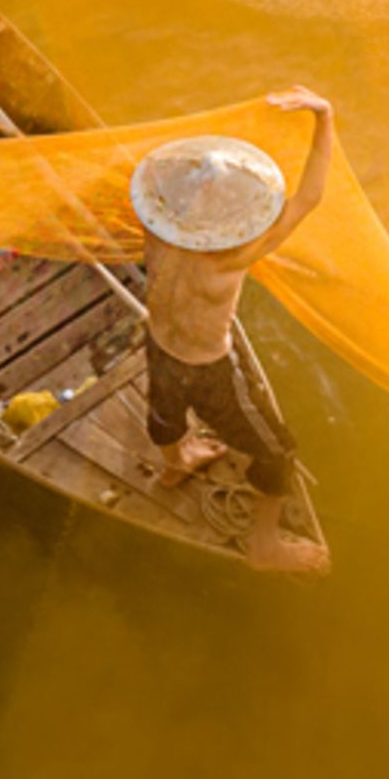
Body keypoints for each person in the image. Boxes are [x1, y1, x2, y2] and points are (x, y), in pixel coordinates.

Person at [130, 88, 335, 576]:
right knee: (277, 452)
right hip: (209, 371)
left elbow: (157, 179)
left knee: (164, 413)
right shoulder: (230, 258)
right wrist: (325, 116)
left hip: (158, 344)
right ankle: (265, 547)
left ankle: (176, 461)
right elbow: (309, 197)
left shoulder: (155, 228)